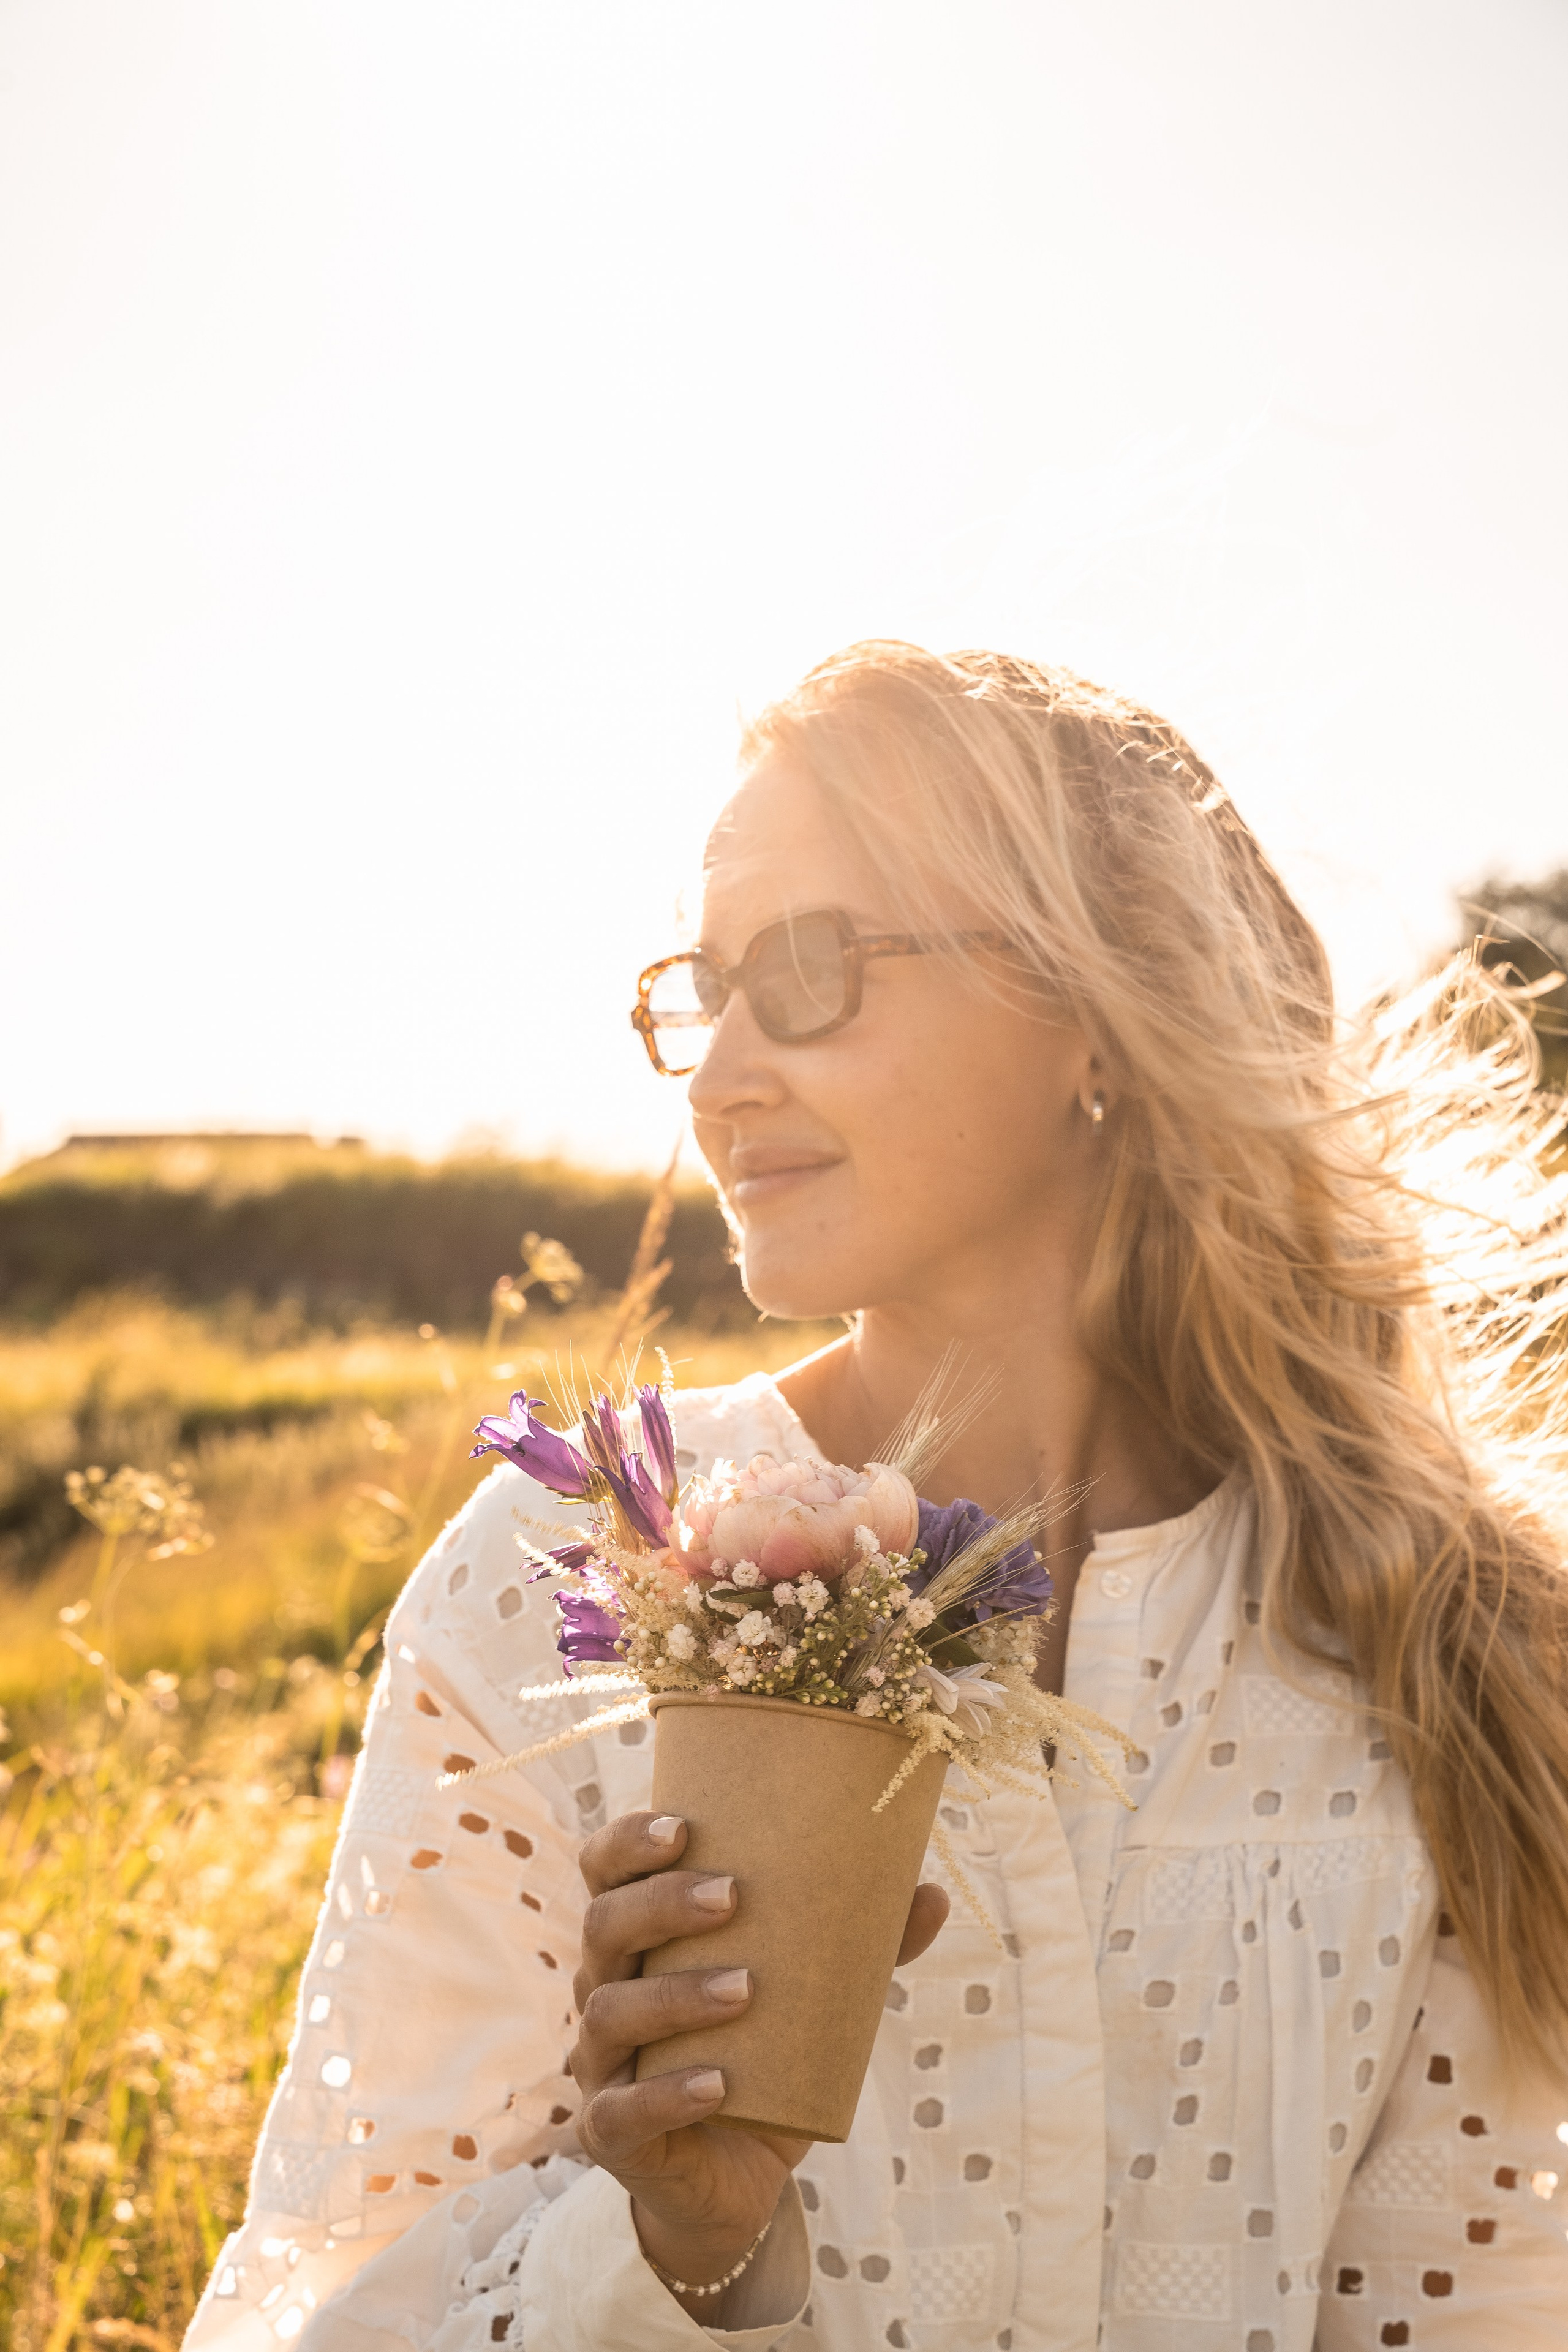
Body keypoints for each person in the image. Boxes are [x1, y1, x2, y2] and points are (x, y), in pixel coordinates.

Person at [186, 644, 1568, 2351]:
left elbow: (1481, 2299)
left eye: (813, 967)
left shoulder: (1436, 1633)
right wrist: (683, 2252)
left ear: (1093, 1008)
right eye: (701, 990)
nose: (715, 1074)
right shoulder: (555, 1575)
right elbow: (341, 2310)